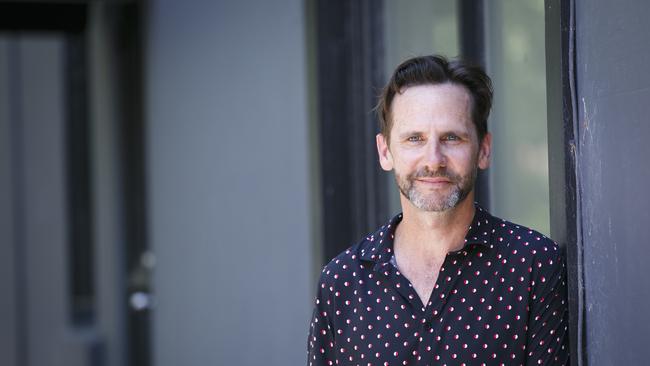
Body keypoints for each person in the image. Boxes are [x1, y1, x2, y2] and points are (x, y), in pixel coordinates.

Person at [307, 55, 569, 365]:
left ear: (483, 150)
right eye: (414, 139)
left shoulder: (533, 265)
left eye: (452, 137)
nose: (433, 160)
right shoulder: (342, 282)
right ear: (385, 151)